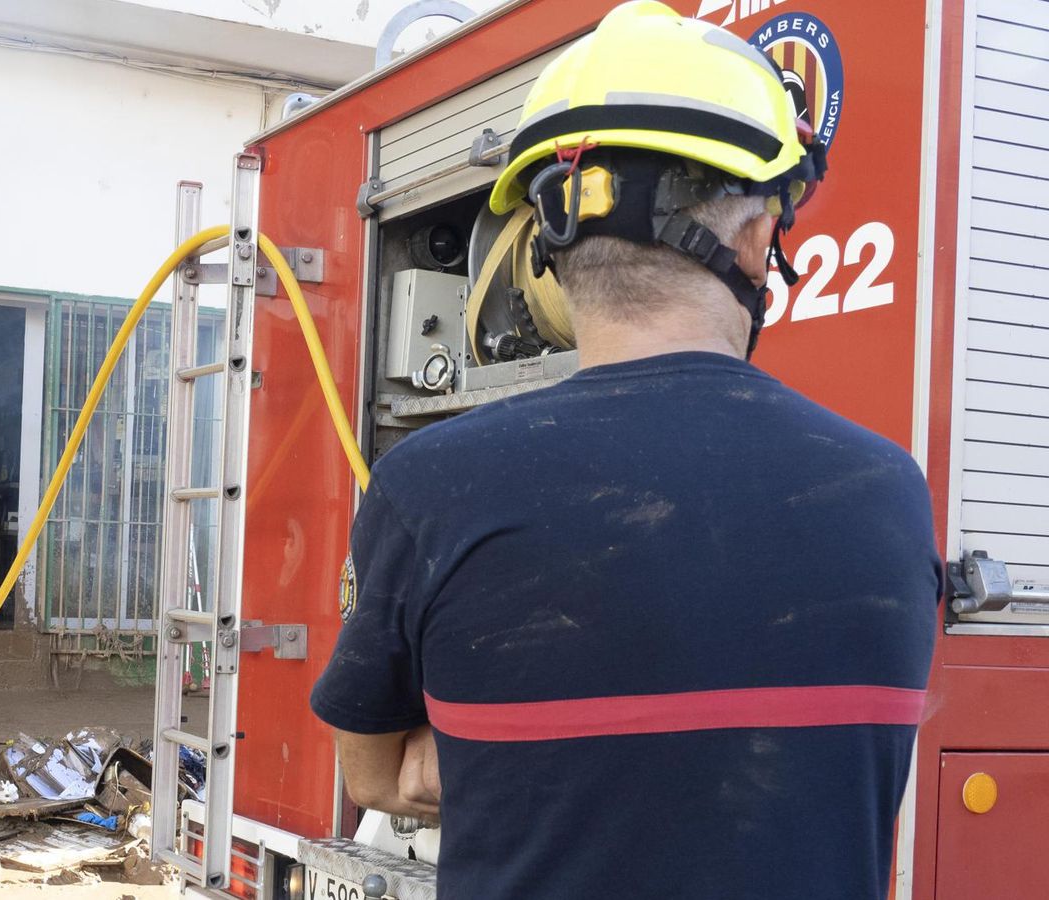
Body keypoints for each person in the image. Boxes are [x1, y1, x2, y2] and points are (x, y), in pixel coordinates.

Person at [309, 3, 939, 898]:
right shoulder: (888, 489)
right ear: (760, 241)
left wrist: (505, 760)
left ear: (545, 250)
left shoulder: (427, 485)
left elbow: (377, 777)